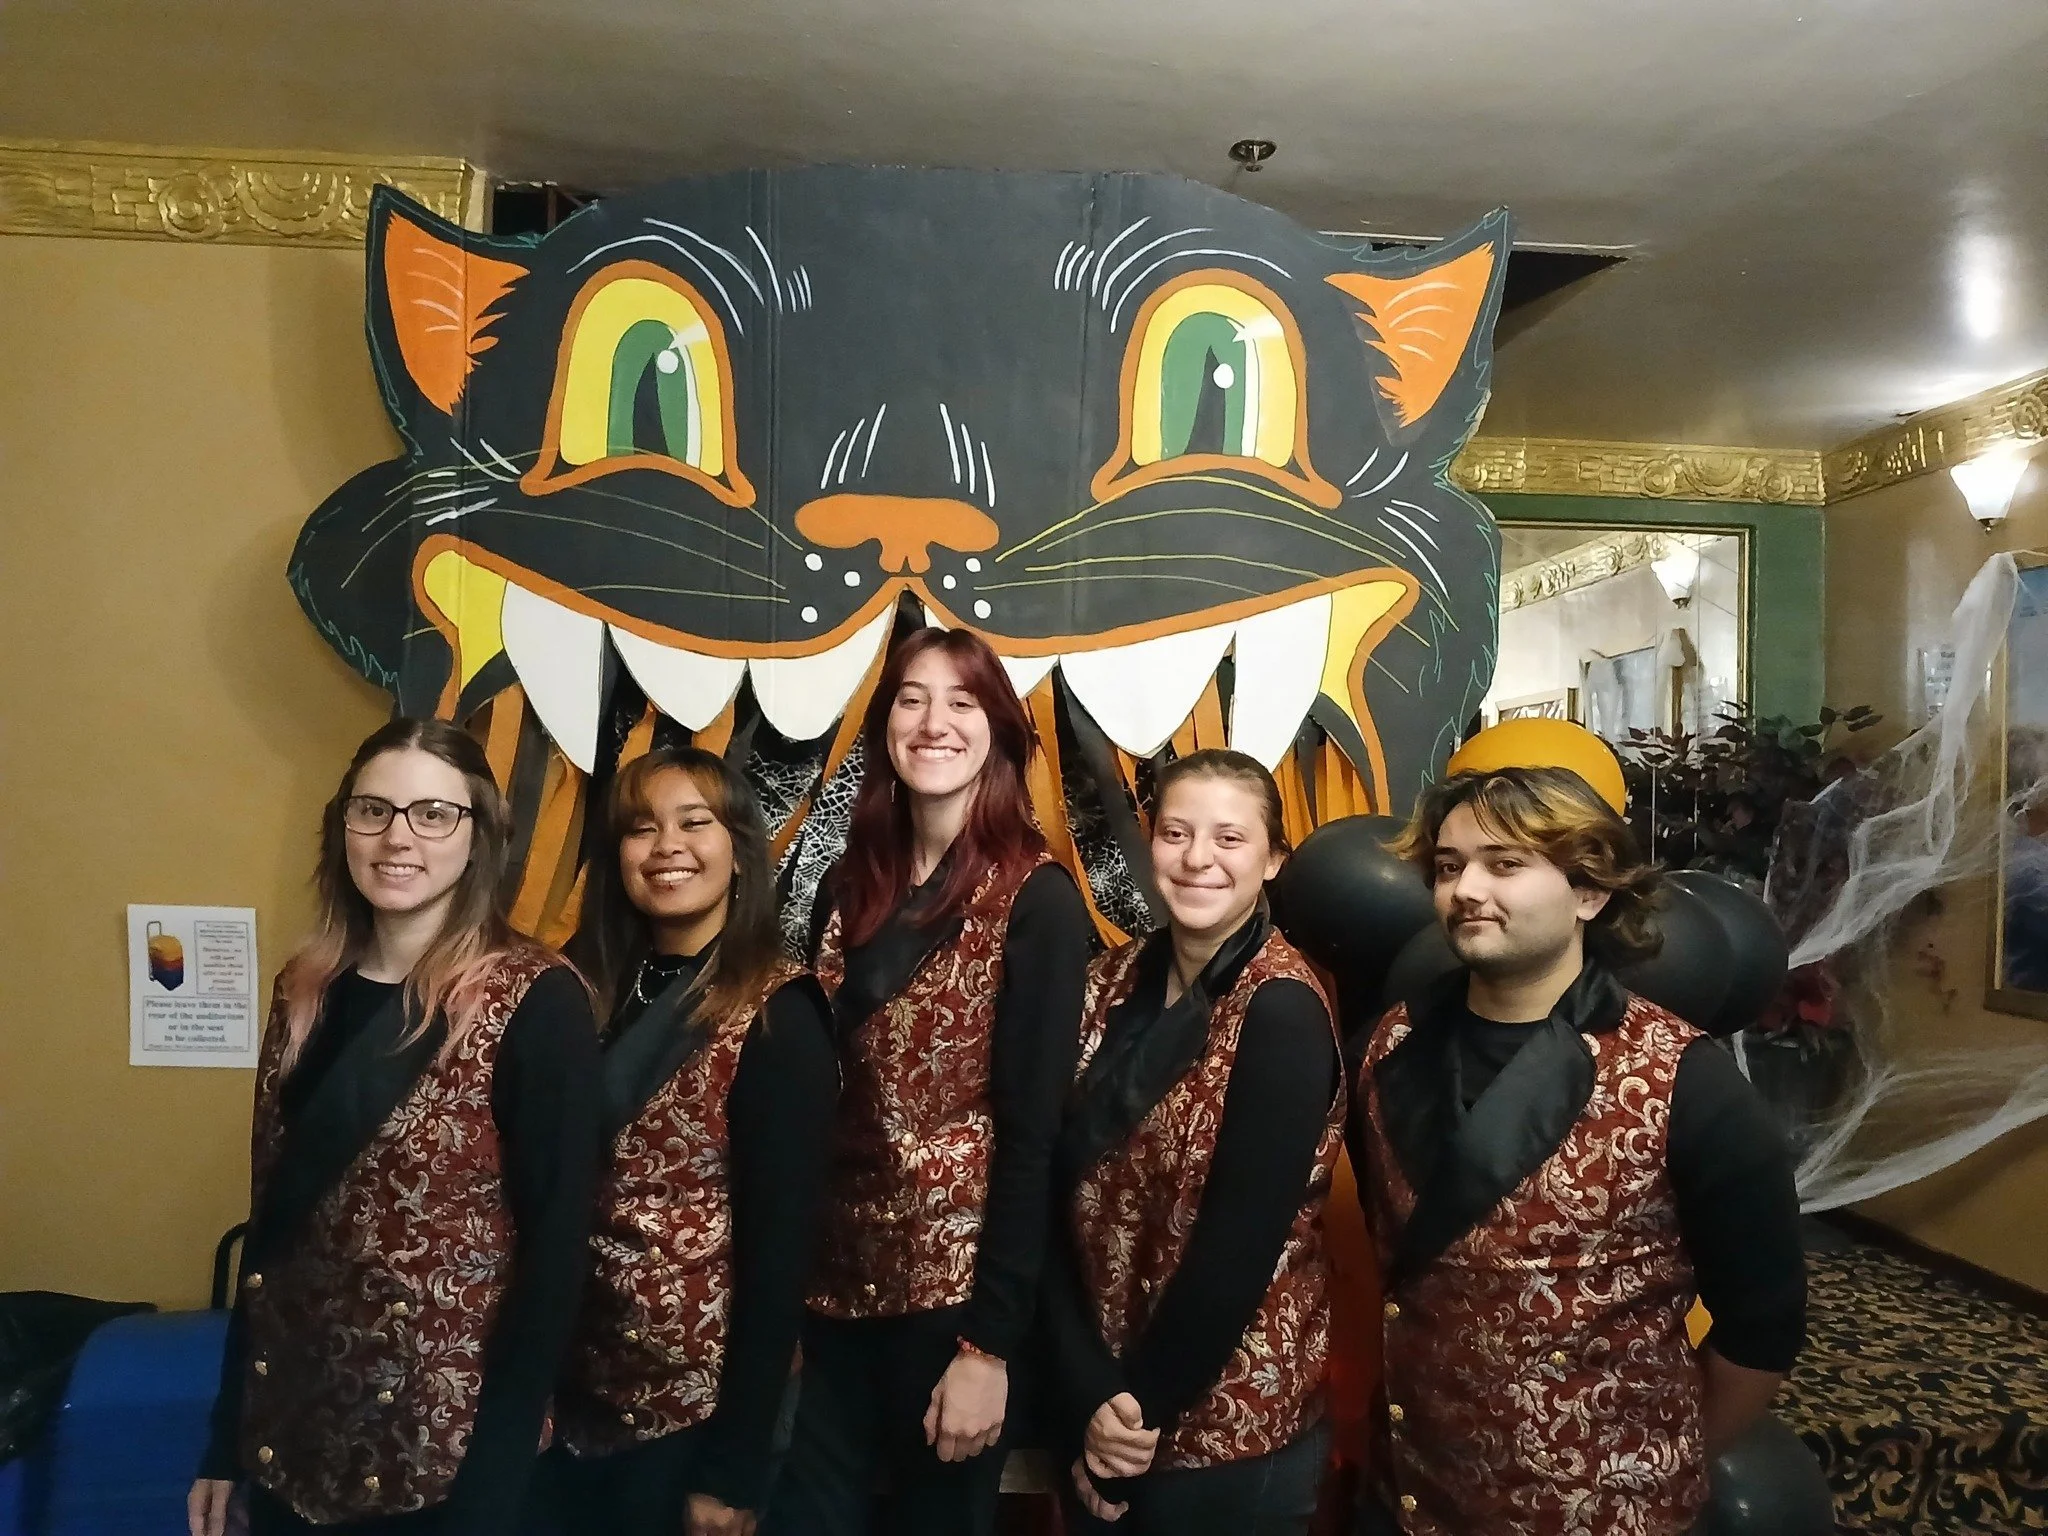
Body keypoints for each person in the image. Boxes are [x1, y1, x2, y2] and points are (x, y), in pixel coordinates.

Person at [1352, 766, 1806, 1536]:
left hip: (1599, 1514)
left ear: (1589, 892)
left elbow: (1762, 1328)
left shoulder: (1681, 1080)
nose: (1466, 890)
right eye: (1450, 867)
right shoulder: (1386, 1043)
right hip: (1407, 1495)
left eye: (1505, 864)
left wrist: (1655, 1463)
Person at [189, 718, 601, 1536]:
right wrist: (224, 1445)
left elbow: (556, 1259)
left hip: (440, 1466)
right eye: (373, 809)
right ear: (343, 823)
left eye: (433, 814)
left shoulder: (535, 1000)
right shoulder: (303, 990)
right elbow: (271, 1235)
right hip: (287, 1443)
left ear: (478, 837)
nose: (397, 838)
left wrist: (495, 1486)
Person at [766, 627, 1093, 1536]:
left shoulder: (1037, 899)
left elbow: (1033, 1137)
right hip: (827, 1289)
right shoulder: (845, 885)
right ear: (885, 725)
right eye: (912, 699)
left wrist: (989, 1347)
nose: (933, 722)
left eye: (961, 702)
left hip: (951, 1304)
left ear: (999, 730)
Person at [541, 746, 839, 1536]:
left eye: (694, 823)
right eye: (641, 828)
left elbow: (780, 1262)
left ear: (739, 851)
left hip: (687, 1414)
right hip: (557, 1399)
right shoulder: (576, 991)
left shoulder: (778, 1015)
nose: (666, 846)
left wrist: (733, 1469)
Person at [1046, 749, 1343, 1535]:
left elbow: (1236, 1252)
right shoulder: (1105, 983)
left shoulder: (1281, 1010)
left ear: (1273, 859)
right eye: (1176, 833)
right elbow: (1041, 1184)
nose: (1197, 858)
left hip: (1226, 1428)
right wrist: (1088, 1393)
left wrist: (1132, 1419)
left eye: (1229, 838)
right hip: (1094, 1402)